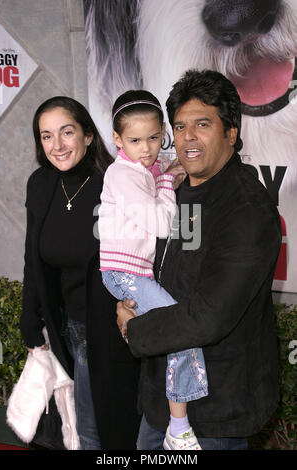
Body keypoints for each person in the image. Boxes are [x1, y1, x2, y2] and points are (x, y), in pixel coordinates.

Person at [117, 70, 282, 450]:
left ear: (231, 132)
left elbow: (209, 316)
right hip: (163, 400)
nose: (187, 137)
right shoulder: (179, 193)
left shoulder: (247, 208)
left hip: (213, 412)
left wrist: (134, 329)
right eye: (179, 126)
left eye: (202, 124)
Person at [19, 96, 141, 450]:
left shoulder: (115, 183)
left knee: (96, 434)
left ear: (88, 135)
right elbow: (33, 256)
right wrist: (30, 320)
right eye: (46, 136)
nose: (57, 145)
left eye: (66, 132)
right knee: (75, 431)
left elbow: (141, 258)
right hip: (64, 330)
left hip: (108, 331)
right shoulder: (40, 184)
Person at [98, 89, 207, 450]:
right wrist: (165, 184)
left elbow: (164, 167)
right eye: (135, 140)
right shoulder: (123, 176)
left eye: (154, 138)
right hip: (125, 274)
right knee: (181, 333)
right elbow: (162, 224)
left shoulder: (143, 167)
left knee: (177, 335)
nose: (146, 149)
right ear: (116, 139)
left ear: (163, 132)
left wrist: (165, 171)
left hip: (134, 273)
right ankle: (178, 427)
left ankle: (178, 425)